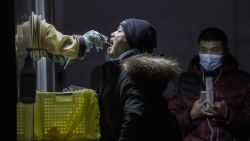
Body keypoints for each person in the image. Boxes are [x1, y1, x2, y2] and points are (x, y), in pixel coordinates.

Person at [98, 18, 182, 141]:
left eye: (119, 31)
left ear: (132, 40)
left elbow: (135, 116)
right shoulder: (119, 71)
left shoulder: (133, 72)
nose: (112, 33)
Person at [168, 27, 250, 141]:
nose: (209, 56)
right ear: (198, 51)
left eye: (215, 51)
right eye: (204, 50)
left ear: (226, 51)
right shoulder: (184, 81)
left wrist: (227, 113)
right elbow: (168, 125)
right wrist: (191, 116)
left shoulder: (243, 82)